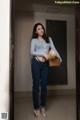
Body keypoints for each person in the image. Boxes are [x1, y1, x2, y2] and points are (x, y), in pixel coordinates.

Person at [30, 23, 62, 118]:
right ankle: (36, 108)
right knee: (36, 85)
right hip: (35, 63)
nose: (41, 30)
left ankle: (42, 106)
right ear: (36, 31)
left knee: (44, 85)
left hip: (45, 64)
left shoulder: (49, 39)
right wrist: (43, 54)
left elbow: (54, 49)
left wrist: (60, 58)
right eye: (38, 29)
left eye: (42, 28)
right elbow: (32, 52)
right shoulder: (34, 40)